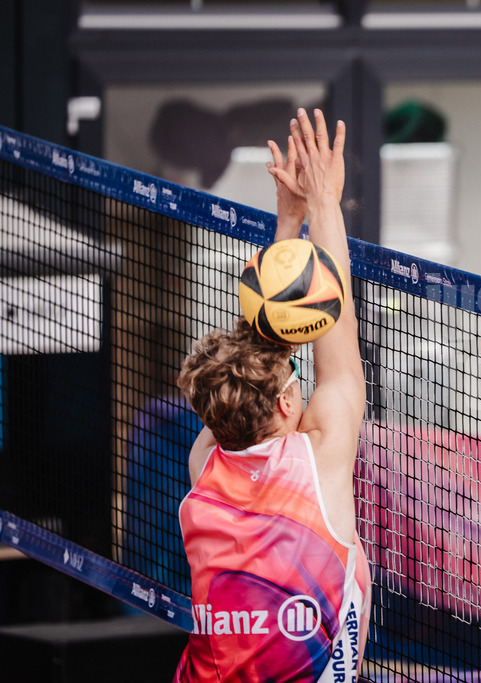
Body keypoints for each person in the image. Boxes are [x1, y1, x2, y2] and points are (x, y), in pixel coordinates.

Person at [173, 108, 371, 682]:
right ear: (286, 405)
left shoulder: (203, 468)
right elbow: (334, 317)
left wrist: (289, 227)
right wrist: (323, 204)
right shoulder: (317, 461)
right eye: (295, 382)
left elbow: (255, 357)